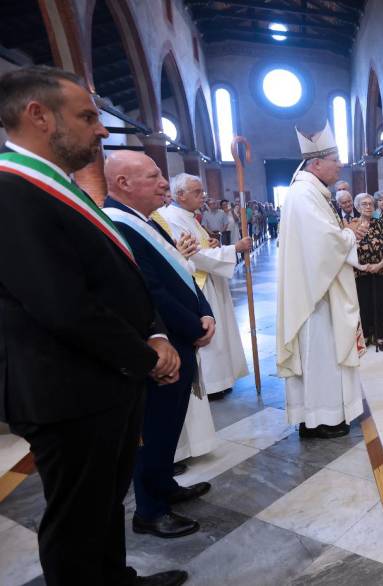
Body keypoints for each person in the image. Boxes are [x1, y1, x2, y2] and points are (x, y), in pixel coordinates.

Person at [0, 66, 187, 586]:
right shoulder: (12, 191)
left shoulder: (60, 187)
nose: (102, 129)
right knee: (76, 522)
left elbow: (117, 269)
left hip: (102, 379)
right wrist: (147, 355)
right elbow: (61, 304)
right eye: (87, 117)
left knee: (106, 502)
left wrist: (152, 331)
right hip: (64, 388)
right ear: (38, 116)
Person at [103, 151, 216, 544]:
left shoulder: (147, 221)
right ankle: (149, 510)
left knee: (170, 422)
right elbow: (148, 289)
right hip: (162, 345)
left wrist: (205, 311)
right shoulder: (119, 224)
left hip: (183, 335)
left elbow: (181, 272)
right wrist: (190, 325)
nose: (164, 183)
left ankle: (164, 483)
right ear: (123, 184)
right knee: (154, 426)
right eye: (153, 176)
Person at [278, 122, 367, 440]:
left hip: (319, 287)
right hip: (315, 297)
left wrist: (344, 236)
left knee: (324, 355)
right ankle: (320, 418)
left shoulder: (310, 192)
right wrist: (350, 234)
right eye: (335, 159)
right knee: (321, 356)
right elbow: (324, 244)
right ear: (317, 163)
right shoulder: (304, 195)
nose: (340, 165)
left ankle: (321, 415)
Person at [162, 173, 252, 405]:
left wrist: (217, 244)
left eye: (202, 191)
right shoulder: (171, 217)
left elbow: (203, 245)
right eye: (197, 192)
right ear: (179, 195)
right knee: (210, 338)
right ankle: (212, 384)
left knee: (219, 336)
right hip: (198, 282)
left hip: (210, 280)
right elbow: (195, 255)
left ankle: (221, 381)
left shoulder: (189, 216)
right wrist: (234, 248)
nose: (202, 196)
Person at [352, 193, 383, 352]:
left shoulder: (381, 224)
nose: (368, 207)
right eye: (364, 204)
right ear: (357, 207)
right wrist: (363, 266)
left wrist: (380, 264)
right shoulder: (353, 225)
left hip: (379, 270)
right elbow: (348, 248)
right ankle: (366, 335)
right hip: (360, 271)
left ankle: (380, 336)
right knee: (364, 304)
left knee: (378, 303)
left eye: (370, 204)